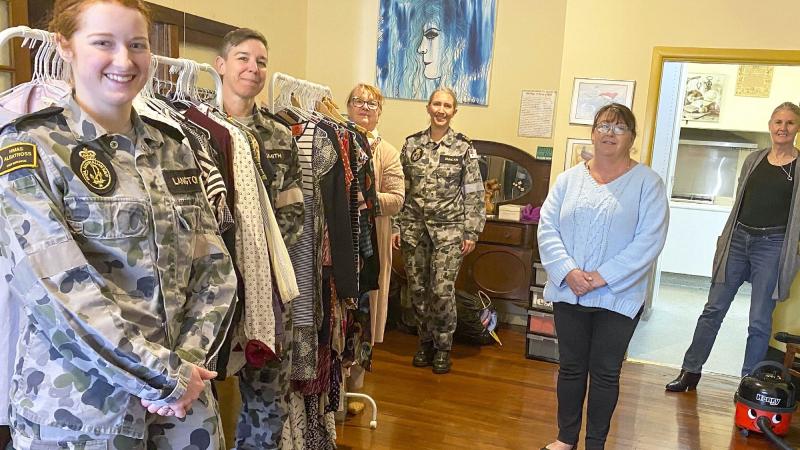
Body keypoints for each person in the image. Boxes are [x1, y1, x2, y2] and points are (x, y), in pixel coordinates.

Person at [0, 0, 237, 448]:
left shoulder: (172, 147)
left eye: (137, 45)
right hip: (82, 415)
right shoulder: (31, 147)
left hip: (184, 411)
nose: (124, 61)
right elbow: (56, 290)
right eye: (103, 43)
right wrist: (164, 378)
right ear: (64, 46)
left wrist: (186, 367)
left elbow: (215, 269)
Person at [537, 103, 669, 450]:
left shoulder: (648, 183)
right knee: (570, 368)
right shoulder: (568, 180)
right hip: (570, 293)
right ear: (593, 133)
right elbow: (547, 228)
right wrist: (568, 271)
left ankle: (595, 443)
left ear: (632, 138)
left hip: (617, 297)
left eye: (619, 128)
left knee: (606, 373)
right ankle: (566, 438)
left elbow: (649, 240)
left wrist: (601, 277)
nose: (610, 134)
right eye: (604, 126)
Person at [667, 102, 800, 392]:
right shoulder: (754, 159)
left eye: (790, 123)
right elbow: (741, 199)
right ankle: (690, 371)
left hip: (773, 245)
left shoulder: (798, 166)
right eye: (778, 122)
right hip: (738, 241)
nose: (783, 128)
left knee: (759, 320)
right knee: (713, 310)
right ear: (770, 125)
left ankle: (748, 384)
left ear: (797, 127)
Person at [213, 28, 304, 449]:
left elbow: (293, 209)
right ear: (221, 65)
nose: (253, 68)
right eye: (243, 58)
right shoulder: (191, 130)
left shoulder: (280, 135)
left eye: (261, 62)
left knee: (268, 396)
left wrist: (264, 268)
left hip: (268, 289)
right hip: (214, 291)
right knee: (200, 397)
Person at [392, 87, 485, 374]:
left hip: (449, 232)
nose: (441, 110)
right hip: (414, 230)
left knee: (442, 292)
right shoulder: (411, 145)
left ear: (454, 111)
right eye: (436, 104)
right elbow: (400, 189)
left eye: (447, 106)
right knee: (418, 291)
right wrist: (396, 225)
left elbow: (474, 192)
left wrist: (471, 231)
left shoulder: (463, 147)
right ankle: (425, 342)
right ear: (428, 107)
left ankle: (443, 347)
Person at [346, 83, 405, 345]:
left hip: (372, 241)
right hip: (339, 238)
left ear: (379, 112)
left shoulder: (387, 152)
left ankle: (360, 361)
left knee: (366, 308)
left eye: (372, 104)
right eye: (358, 101)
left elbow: (397, 200)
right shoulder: (334, 144)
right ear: (348, 107)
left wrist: (365, 199)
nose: (365, 108)